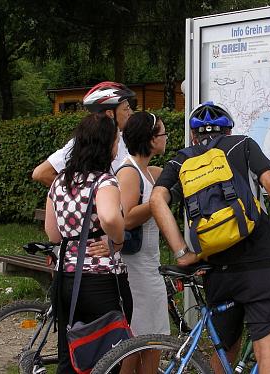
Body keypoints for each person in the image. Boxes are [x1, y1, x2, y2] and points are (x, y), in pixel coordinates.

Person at [149, 101, 270, 374]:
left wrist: (182, 253)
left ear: (194, 136)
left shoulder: (182, 159)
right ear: (228, 131)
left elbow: (157, 199)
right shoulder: (243, 145)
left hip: (216, 268)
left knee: (225, 351)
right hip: (259, 263)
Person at [44, 113, 132, 374]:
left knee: (70, 356)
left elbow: (52, 234)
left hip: (65, 280)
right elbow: (108, 216)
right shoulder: (104, 181)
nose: (117, 147)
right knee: (108, 357)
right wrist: (117, 240)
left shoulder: (60, 181)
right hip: (100, 281)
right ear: (106, 145)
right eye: (116, 141)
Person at [116, 112, 170, 373]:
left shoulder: (149, 171)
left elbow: (173, 173)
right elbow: (126, 219)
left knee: (147, 339)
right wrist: (156, 203)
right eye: (162, 133)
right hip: (136, 269)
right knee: (144, 340)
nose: (166, 137)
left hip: (149, 264)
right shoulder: (130, 172)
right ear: (150, 140)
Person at [32, 81, 135, 187]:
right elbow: (41, 173)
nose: (131, 112)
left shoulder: (125, 138)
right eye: (126, 108)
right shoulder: (86, 141)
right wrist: (80, 195)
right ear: (110, 113)